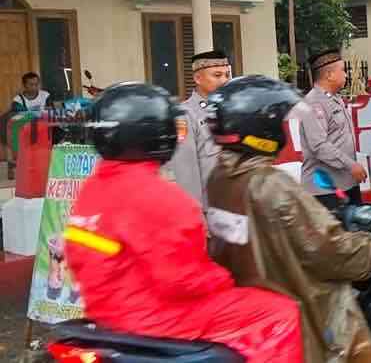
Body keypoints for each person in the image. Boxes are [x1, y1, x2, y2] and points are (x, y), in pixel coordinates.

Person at [64, 82, 303, 363]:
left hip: (106, 311)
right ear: (156, 135)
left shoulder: (92, 191)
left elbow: (81, 256)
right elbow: (183, 280)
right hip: (156, 316)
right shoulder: (162, 198)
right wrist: (226, 279)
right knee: (281, 311)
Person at [206, 75, 371, 363]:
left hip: (256, 310)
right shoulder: (271, 185)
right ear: (261, 129)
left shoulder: (220, 179)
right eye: (279, 123)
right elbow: (330, 251)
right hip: (307, 309)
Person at [299, 49, 366, 210]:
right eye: (342, 70)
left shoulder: (335, 98)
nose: (346, 75)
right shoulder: (313, 103)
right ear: (329, 75)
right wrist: (351, 165)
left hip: (346, 183)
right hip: (325, 190)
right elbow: (319, 146)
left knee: (356, 231)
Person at [168, 51, 231, 213]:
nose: (224, 81)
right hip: (209, 211)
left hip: (235, 208)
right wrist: (196, 214)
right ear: (198, 79)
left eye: (227, 75)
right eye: (217, 75)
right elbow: (186, 172)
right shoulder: (184, 115)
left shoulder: (231, 110)